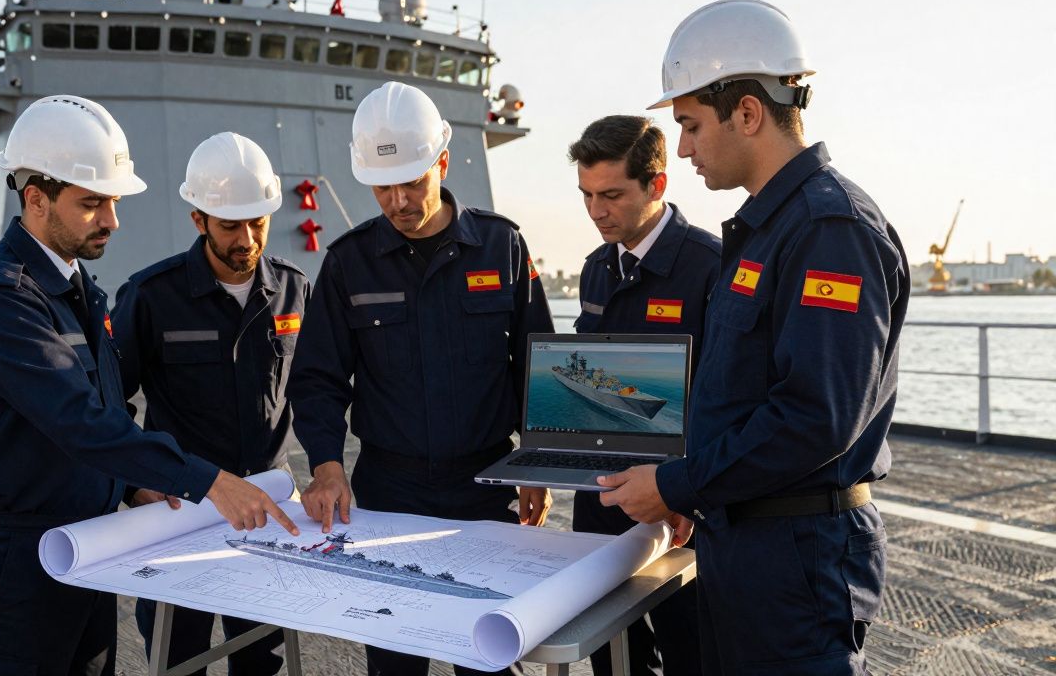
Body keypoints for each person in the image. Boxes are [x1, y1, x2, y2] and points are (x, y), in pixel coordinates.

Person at [599, 0, 909, 675]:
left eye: (688, 124)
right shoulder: (768, 230)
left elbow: (814, 419)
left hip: (796, 560)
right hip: (744, 542)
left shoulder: (831, 230)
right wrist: (699, 494)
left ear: (747, 112)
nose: (681, 147)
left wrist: (680, 484)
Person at [0, 95, 298, 676]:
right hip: (16, 561)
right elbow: (79, 421)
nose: (112, 219)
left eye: (112, 201)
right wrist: (210, 482)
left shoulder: (79, 291)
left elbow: (110, 408)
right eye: (92, 203)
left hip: (87, 545)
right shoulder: (0, 301)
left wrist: (133, 489)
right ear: (36, 199)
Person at [288, 80, 555, 676]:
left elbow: (537, 364)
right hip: (389, 489)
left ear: (443, 161)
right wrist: (327, 465)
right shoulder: (347, 263)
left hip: (484, 485)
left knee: (490, 653)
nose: (399, 200)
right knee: (394, 655)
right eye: (383, 187)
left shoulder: (502, 246)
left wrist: (539, 462)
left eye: (413, 181)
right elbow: (316, 379)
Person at [112, 132, 310, 675]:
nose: (247, 239)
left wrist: (328, 466)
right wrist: (134, 484)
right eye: (229, 225)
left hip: (269, 515)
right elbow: (109, 403)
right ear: (198, 219)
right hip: (183, 517)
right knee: (178, 659)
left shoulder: (294, 291)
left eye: (258, 222)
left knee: (262, 662)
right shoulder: (151, 296)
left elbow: (316, 389)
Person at [567, 115, 720, 676]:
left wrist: (686, 491)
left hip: (682, 504)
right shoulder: (595, 271)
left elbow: (725, 397)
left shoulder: (711, 268)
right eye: (586, 195)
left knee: (691, 652)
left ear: (657, 184)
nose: (596, 211)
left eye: (611, 195)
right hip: (604, 496)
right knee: (611, 657)